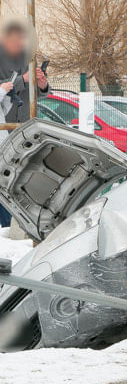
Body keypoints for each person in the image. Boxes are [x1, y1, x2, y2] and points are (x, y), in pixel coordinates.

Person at [0, 20, 48, 228]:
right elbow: (5, 88)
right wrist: (24, 79)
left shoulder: (27, 60)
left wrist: (42, 84)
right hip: (6, 126)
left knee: (22, 176)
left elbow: (39, 95)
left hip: (25, 128)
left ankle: (17, 222)